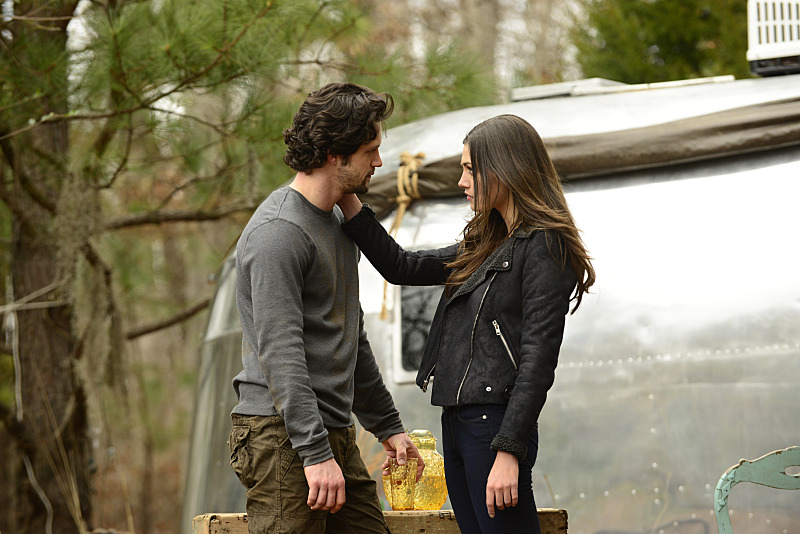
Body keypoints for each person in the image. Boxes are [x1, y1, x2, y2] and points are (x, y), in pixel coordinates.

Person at [338, 114, 595, 534]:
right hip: (456, 422)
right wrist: (348, 196)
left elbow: (537, 359)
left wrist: (509, 451)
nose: (462, 181)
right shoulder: (489, 242)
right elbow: (401, 265)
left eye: (471, 169)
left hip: (494, 426)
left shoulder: (545, 244)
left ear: (506, 167)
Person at [228, 82, 423, 534]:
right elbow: (281, 352)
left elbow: (348, 336)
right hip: (280, 434)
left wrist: (388, 427)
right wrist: (315, 454)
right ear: (336, 154)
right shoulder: (279, 233)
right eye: (371, 150)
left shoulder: (338, 220)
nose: (378, 161)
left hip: (330, 430)